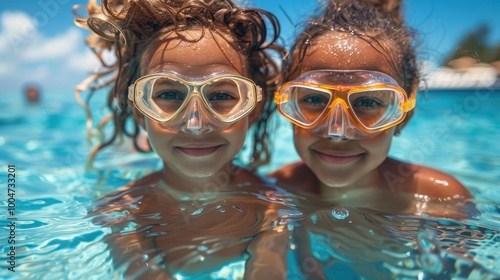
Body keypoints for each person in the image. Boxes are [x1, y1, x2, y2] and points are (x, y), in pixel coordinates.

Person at [73, 0, 291, 278]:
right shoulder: (122, 214)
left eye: (222, 95)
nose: (195, 124)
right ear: (140, 112)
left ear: (252, 110)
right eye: (170, 94)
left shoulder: (270, 210)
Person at [269, 0, 474, 216]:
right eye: (314, 100)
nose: (337, 131)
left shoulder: (443, 199)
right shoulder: (278, 189)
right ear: (287, 105)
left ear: (404, 113)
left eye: (367, 102)